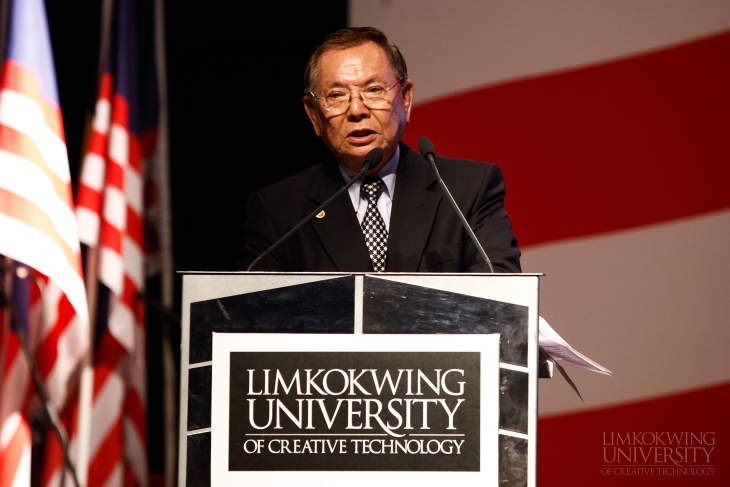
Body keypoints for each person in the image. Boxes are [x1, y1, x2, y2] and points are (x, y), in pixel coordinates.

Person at [236, 27, 521, 273]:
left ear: (405, 99)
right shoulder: (278, 211)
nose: (357, 110)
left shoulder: (468, 190)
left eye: (373, 90)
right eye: (336, 95)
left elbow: (500, 298)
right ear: (313, 114)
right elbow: (257, 315)